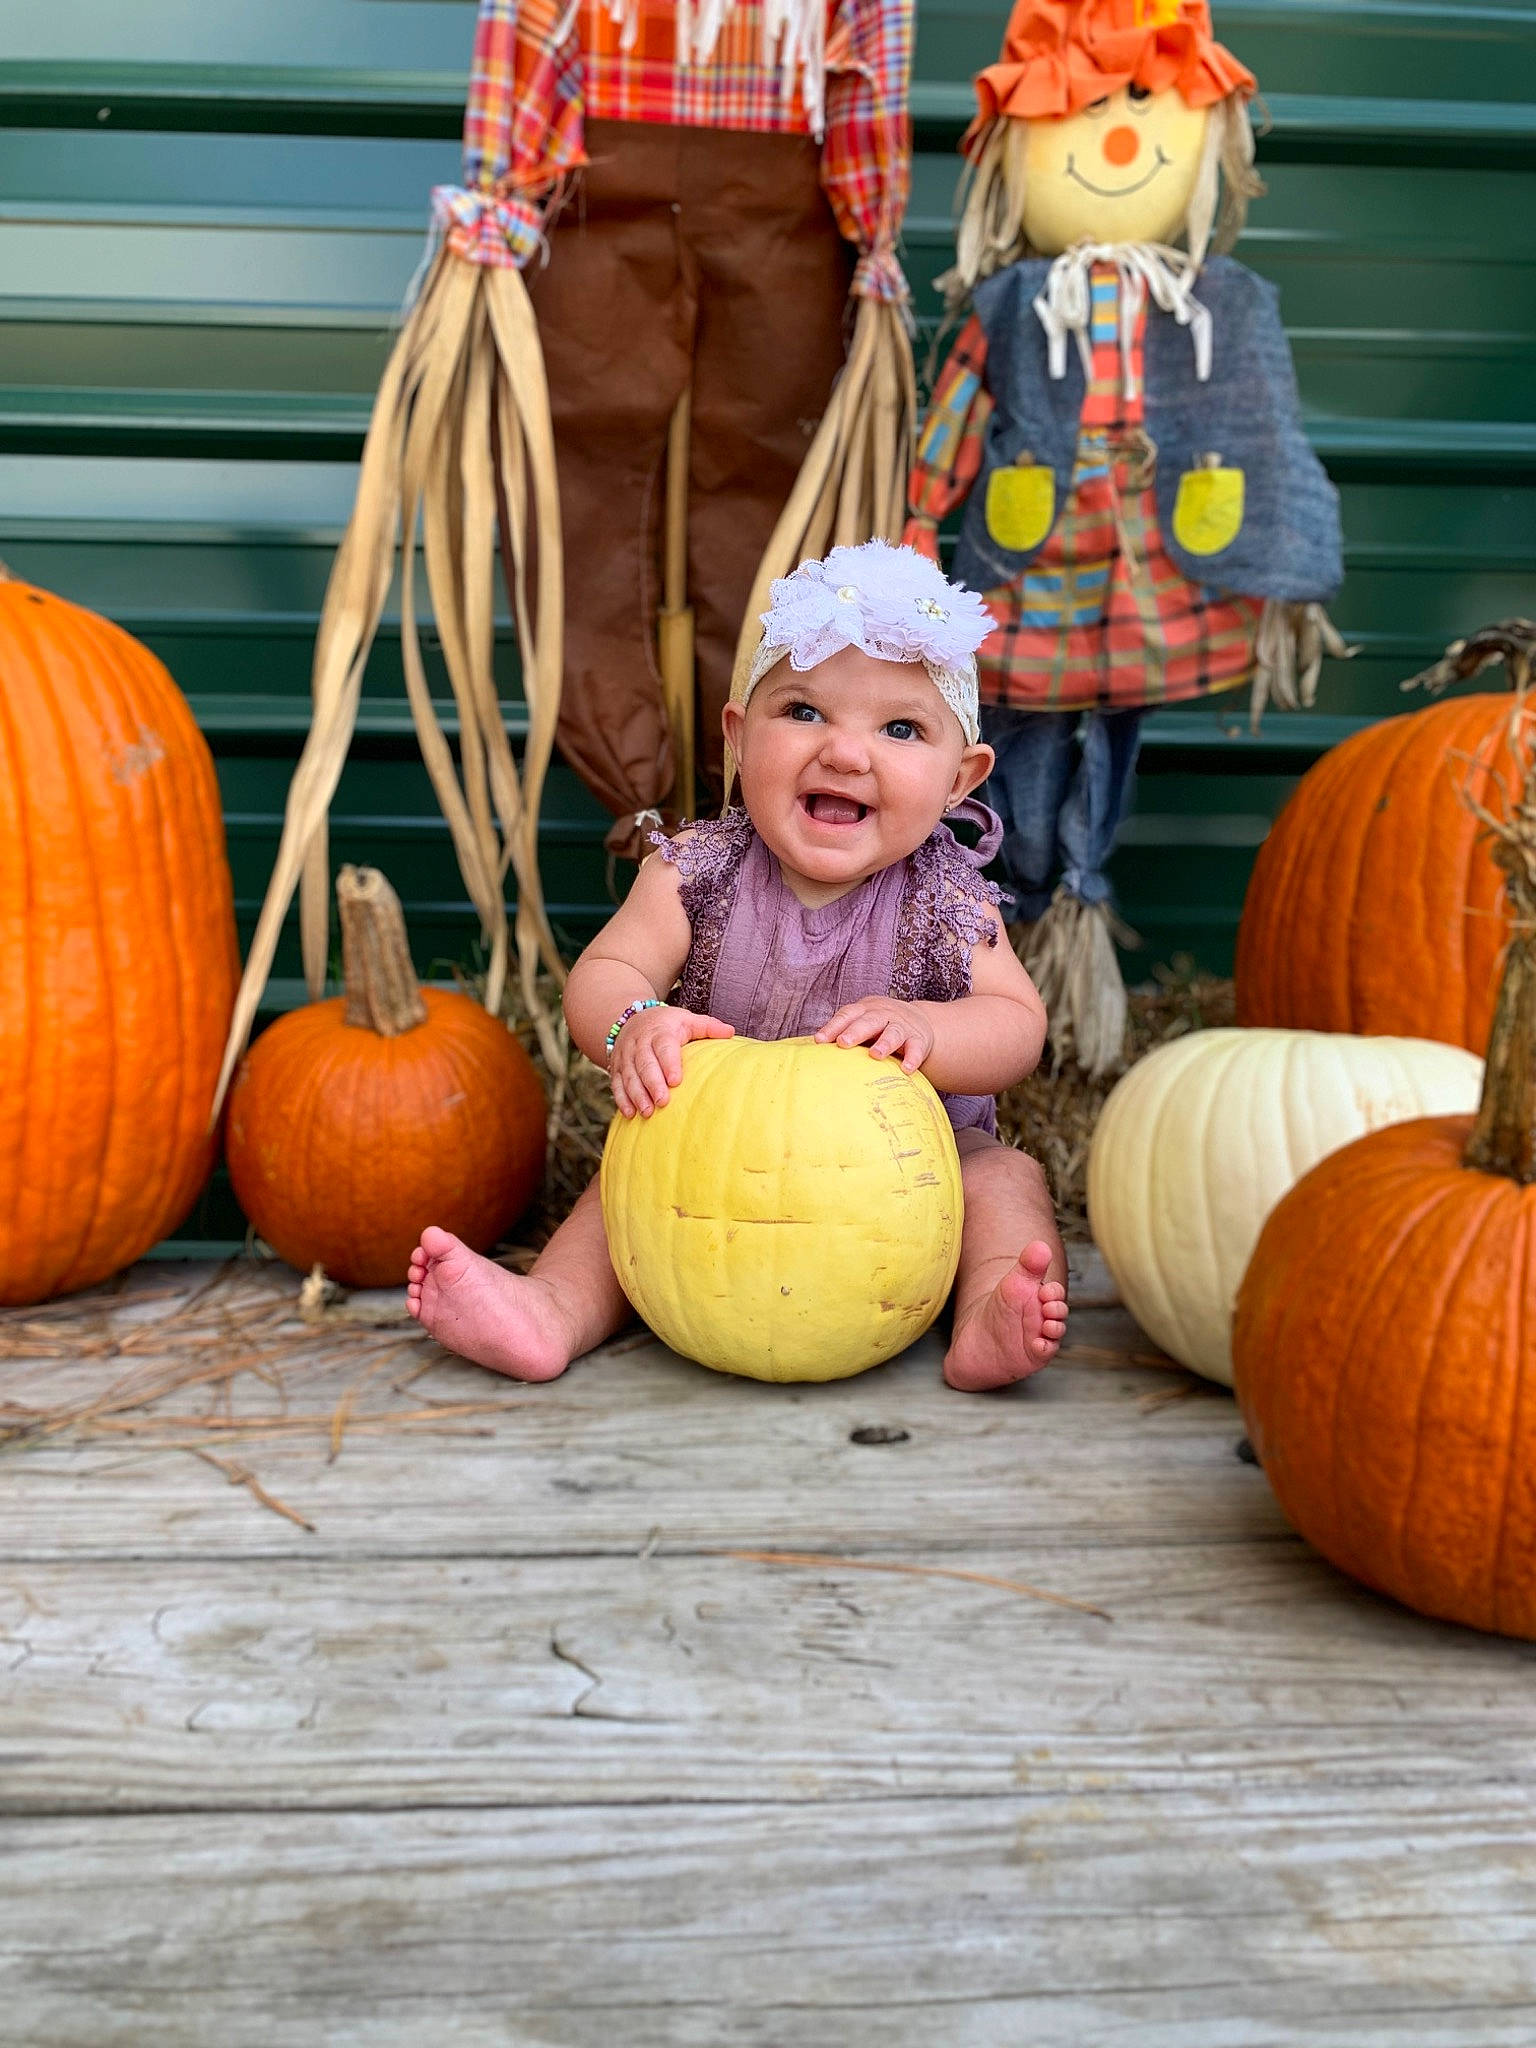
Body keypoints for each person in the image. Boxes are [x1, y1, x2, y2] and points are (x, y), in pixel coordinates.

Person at [408, 540, 1069, 1389]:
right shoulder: (694, 871)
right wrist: (631, 1023)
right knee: (626, 1180)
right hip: (710, 1165)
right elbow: (606, 970)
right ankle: (552, 1311)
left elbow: (1018, 1027)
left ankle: (984, 1312)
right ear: (737, 736)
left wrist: (928, 1028)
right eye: (803, 712)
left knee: (1004, 1175)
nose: (846, 753)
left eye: (901, 729)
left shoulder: (951, 901)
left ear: (960, 777)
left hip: (911, 1176)